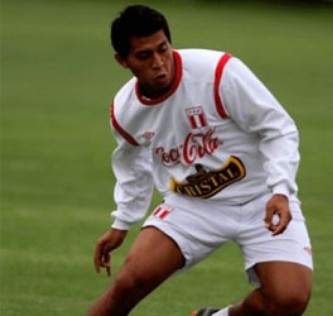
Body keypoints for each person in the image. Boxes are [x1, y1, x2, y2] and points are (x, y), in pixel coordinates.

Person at [87, 4, 313, 316]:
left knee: (288, 300)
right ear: (122, 60)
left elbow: (278, 128)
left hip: (262, 197)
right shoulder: (125, 111)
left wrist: (280, 190)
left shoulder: (218, 72)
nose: (159, 63)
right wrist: (122, 222)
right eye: (144, 56)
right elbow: (132, 166)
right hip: (193, 205)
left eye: (162, 49)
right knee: (130, 281)